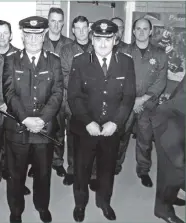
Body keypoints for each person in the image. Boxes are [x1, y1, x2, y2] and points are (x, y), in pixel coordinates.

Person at [67, 19, 136, 222]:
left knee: (107, 170)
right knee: (81, 170)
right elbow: (73, 96)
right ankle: (80, 205)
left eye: (108, 39)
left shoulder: (126, 62)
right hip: (85, 128)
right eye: (98, 38)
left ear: (115, 40)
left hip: (111, 130)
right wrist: (88, 121)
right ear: (92, 38)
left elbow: (129, 97)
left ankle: (104, 202)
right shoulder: (79, 62)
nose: (103, 43)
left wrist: (115, 122)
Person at [3, 16, 63, 223]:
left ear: (44, 35)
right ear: (22, 35)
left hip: (44, 130)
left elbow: (57, 94)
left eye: (38, 34)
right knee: (16, 175)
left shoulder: (54, 61)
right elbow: (9, 93)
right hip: (18, 129)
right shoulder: (11, 60)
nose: (33, 39)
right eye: (29, 34)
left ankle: (41, 206)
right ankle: (16, 210)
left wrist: (43, 120)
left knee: (43, 174)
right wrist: (26, 119)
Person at [0, 19, 31, 201]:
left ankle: (17, 181)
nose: (2, 37)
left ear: (11, 35)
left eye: (5, 33)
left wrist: (11, 105)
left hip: (15, 110)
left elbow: (26, 85)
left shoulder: (21, 55)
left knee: (16, 148)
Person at [117, 18, 167, 186]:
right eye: (138, 28)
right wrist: (131, 100)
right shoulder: (124, 51)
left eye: (145, 29)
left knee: (145, 140)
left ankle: (143, 170)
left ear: (151, 31)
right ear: (133, 31)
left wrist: (143, 99)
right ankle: (115, 165)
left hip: (147, 104)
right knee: (121, 137)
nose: (141, 32)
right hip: (126, 103)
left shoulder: (160, 53)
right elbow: (118, 77)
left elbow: (161, 80)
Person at [59, 16, 95, 188]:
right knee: (73, 138)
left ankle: (93, 173)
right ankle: (72, 169)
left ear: (89, 29)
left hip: (95, 103)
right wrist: (82, 89)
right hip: (73, 103)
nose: (81, 32)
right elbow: (64, 74)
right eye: (77, 28)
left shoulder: (98, 46)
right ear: (72, 30)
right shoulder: (66, 50)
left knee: (95, 137)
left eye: (84, 28)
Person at [37, 7, 73, 179]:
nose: (56, 25)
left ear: (63, 23)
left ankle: (57, 162)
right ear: (48, 21)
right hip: (43, 95)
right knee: (41, 130)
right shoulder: (38, 41)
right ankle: (38, 163)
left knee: (59, 130)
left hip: (64, 96)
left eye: (59, 21)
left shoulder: (69, 44)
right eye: (53, 20)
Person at [152, 77, 185, 223]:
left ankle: (173, 192)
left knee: (179, 170)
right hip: (170, 122)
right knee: (174, 169)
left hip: (181, 119)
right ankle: (162, 209)